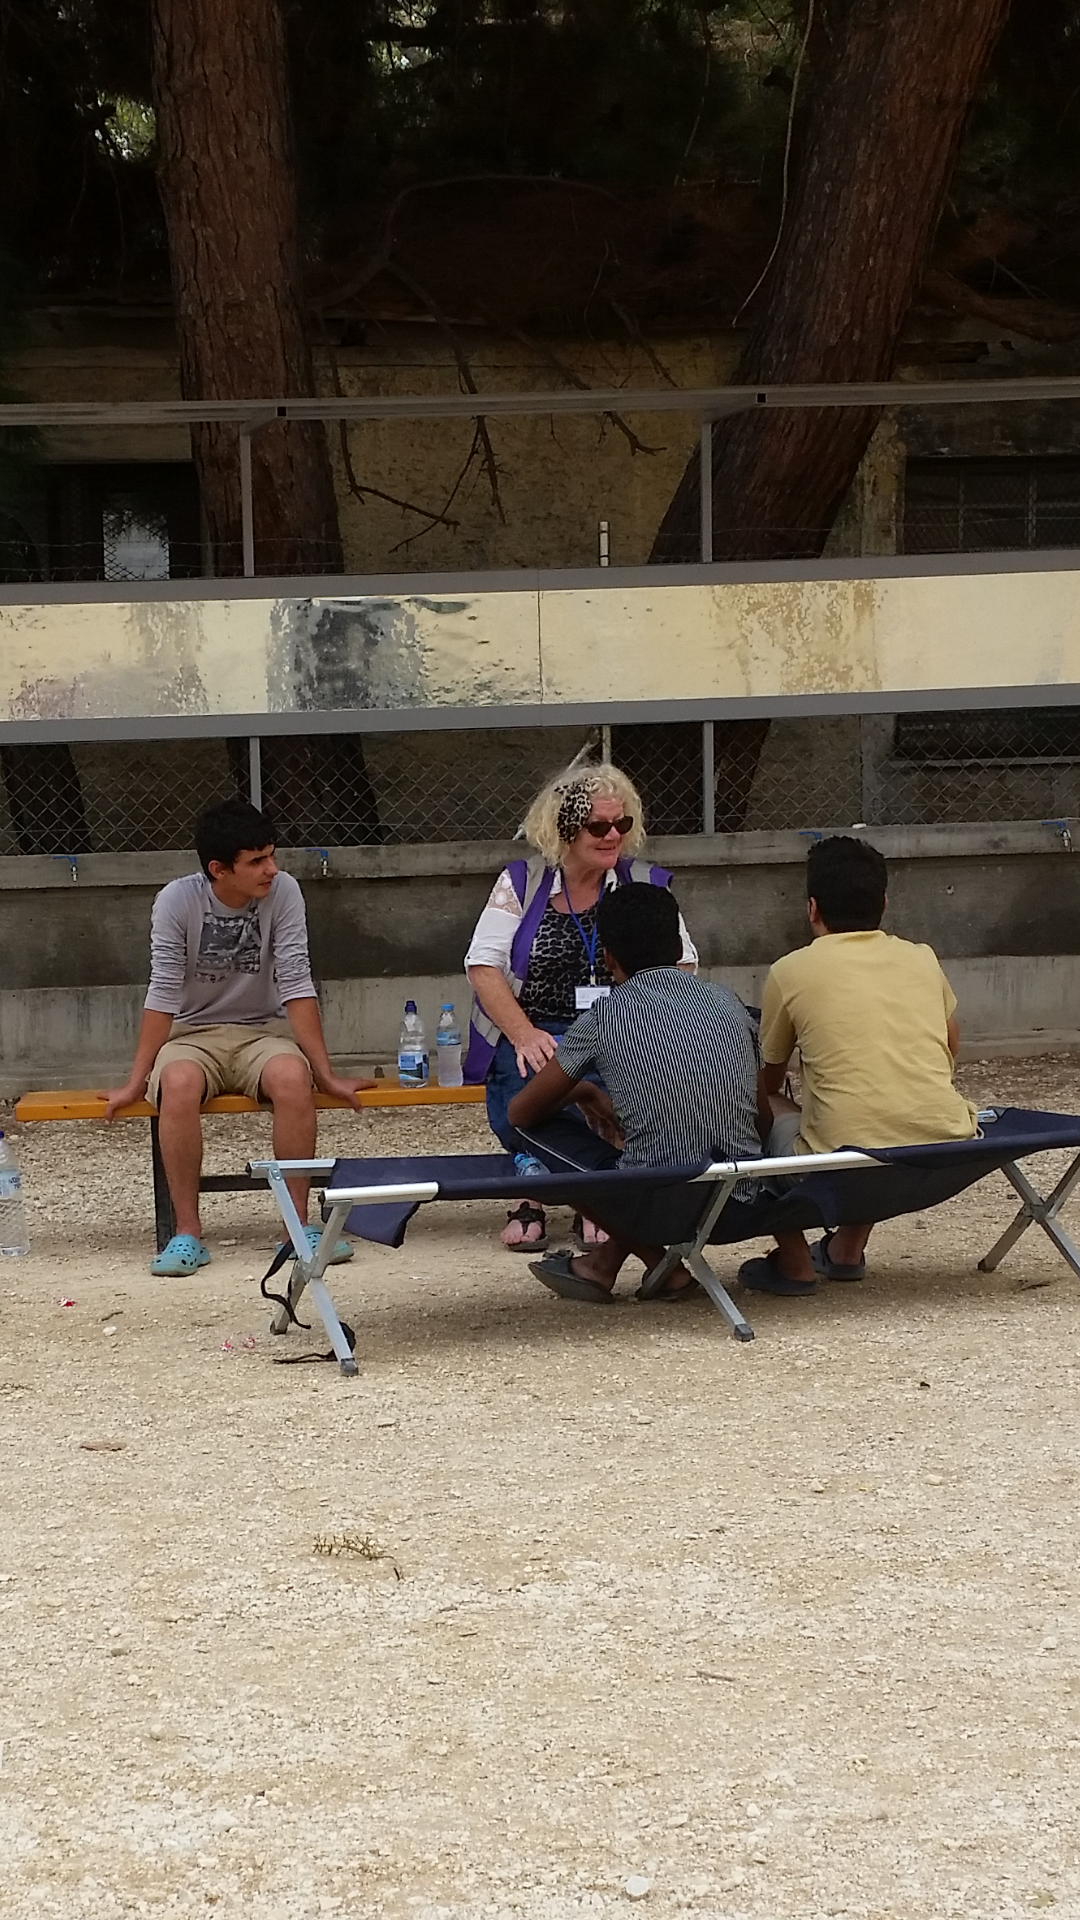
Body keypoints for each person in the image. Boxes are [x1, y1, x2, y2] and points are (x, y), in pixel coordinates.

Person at [104, 797, 374, 1276]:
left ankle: (297, 1229)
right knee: (179, 1084)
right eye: (256, 861)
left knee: (292, 1078)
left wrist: (326, 1074)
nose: (272, 869)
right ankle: (188, 1234)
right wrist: (135, 1082)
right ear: (219, 870)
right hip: (192, 1033)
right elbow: (162, 992)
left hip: (262, 1031)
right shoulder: (176, 900)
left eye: (271, 855)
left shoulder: (284, 892)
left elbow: (297, 982)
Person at [463, 761, 698, 1253]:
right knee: (526, 1081)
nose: (613, 835)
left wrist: (644, 1028)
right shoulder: (522, 882)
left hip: (620, 1026)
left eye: (622, 823)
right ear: (565, 829)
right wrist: (523, 1033)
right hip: (538, 1024)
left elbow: (683, 964)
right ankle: (534, 1190)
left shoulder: (645, 883)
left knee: (626, 1083)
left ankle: (598, 1195)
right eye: (598, 826)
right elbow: (483, 965)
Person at [739, 833, 979, 1298]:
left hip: (842, 1162)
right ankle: (846, 1251)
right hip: (945, 1146)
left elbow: (769, 1077)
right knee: (870, 1110)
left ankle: (793, 1260)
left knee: (768, 1109)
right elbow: (951, 1044)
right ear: (883, 904)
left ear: (812, 908)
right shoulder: (922, 957)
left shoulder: (790, 970)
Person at [504, 883, 768, 1303]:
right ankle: (613, 1267)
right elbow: (762, 1115)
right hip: (740, 1202)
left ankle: (656, 1268)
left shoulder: (605, 1016)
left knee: (533, 1131)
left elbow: (520, 1114)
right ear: (678, 947)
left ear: (607, 957)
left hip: (659, 1207)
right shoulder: (728, 1002)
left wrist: (583, 1092)